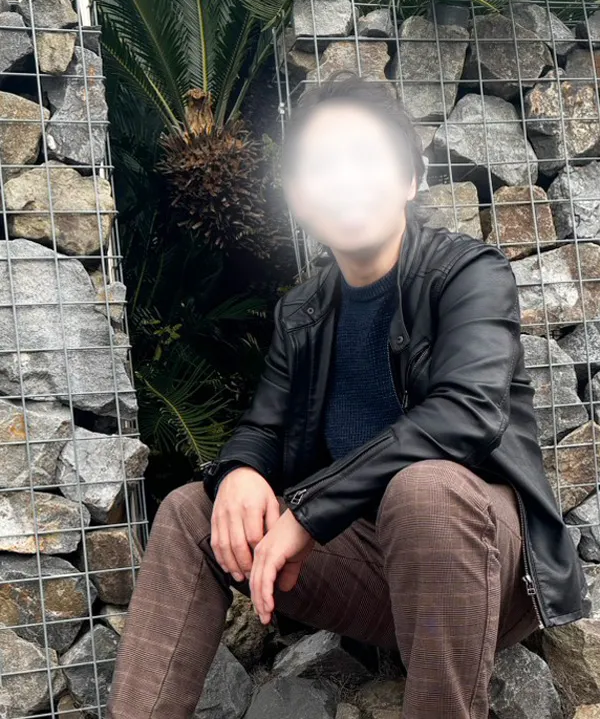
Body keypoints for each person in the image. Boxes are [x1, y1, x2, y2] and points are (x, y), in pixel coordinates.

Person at [106, 73, 590, 719]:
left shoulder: (468, 274)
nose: (346, 179)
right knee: (194, 510)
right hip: (374, 577)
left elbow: (466, 413)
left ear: (410, 178)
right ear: (298, 197)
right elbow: (265, 425)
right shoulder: (303, 311)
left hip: (486, 573)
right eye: (323, 165)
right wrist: (241, 470)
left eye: (366, 156)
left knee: (425, 491)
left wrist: (308, 512)